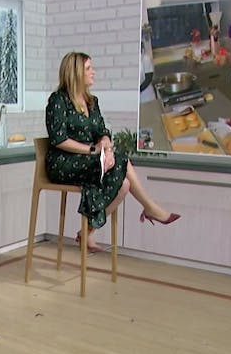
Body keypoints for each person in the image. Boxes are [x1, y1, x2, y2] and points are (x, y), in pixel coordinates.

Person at [46, 52, 180, 251]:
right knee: (122, 160)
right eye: (89, 69)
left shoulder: (92, 101)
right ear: (75, 73)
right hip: (64, 163)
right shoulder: (58, 100)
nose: (94, 73)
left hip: (90, 161)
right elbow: (59, 139)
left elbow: (102, 132)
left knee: (124, 185)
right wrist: (94, 150)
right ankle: (150, 207)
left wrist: (106, 148)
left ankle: (87, 231)